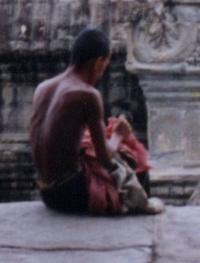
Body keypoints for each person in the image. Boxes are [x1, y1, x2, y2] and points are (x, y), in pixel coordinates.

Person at [29, 27, 162, 215]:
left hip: (46, 191)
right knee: (132, 158)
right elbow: (105, 158)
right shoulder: (88, 95)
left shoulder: (43, 88)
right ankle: (139, 214)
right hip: (70, 194)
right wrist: (118, 135)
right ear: (97, 63)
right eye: (105, 65)